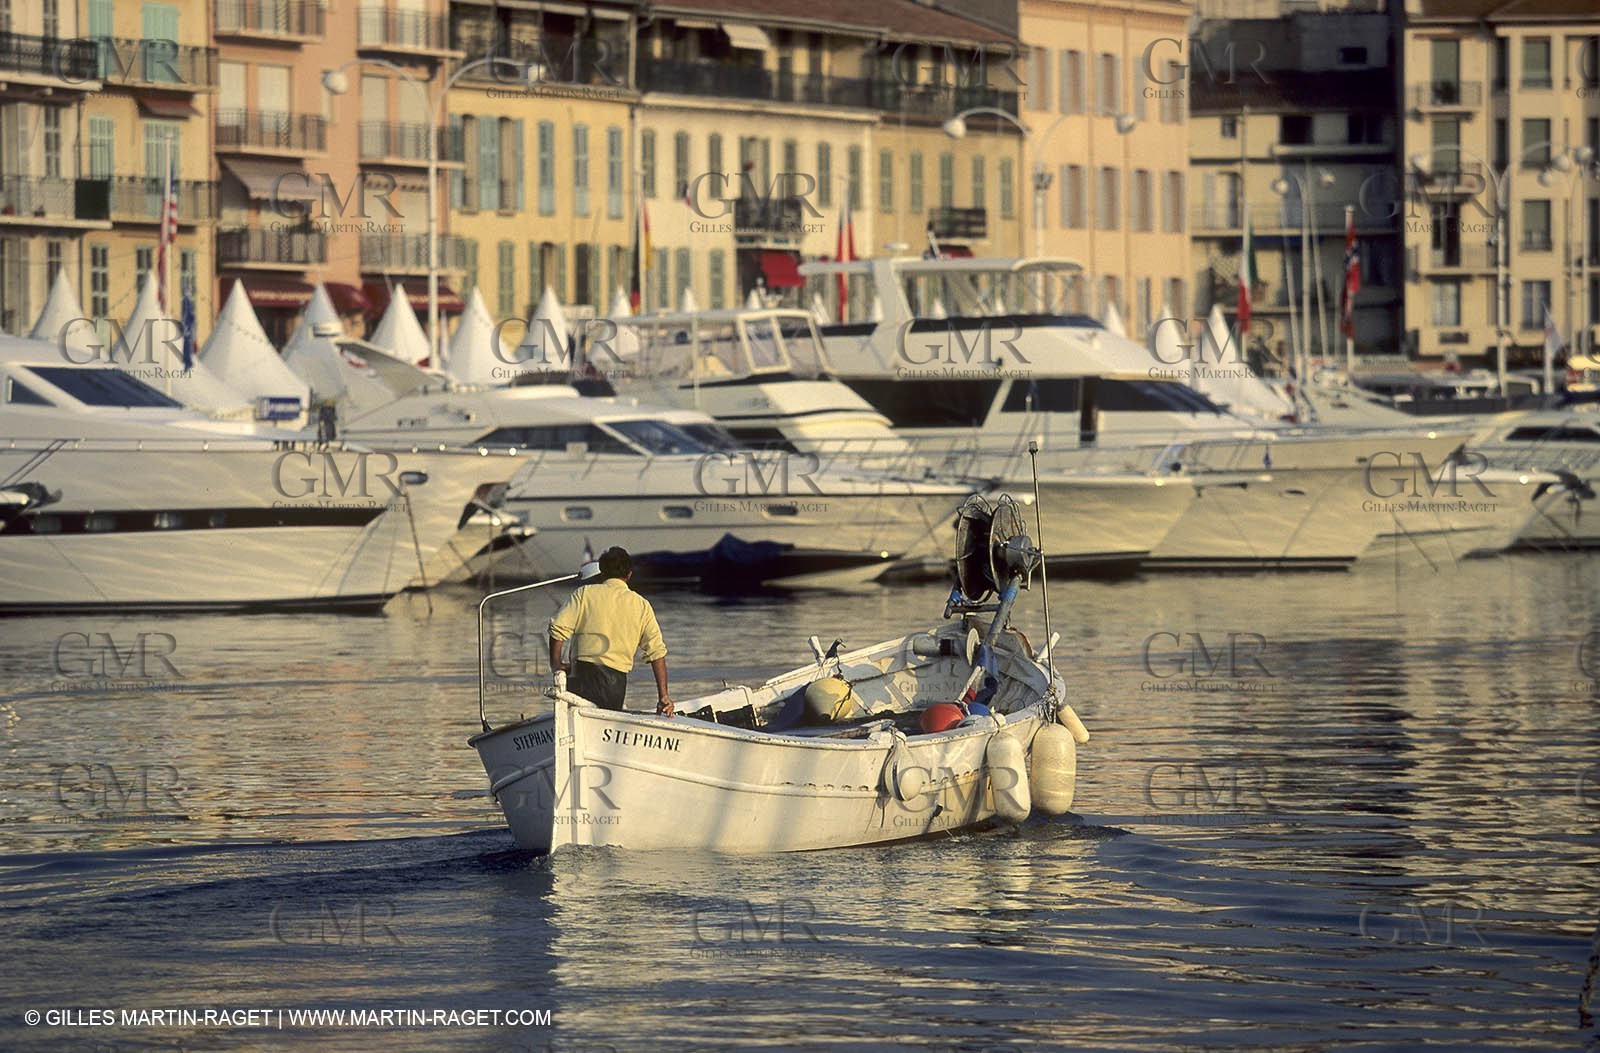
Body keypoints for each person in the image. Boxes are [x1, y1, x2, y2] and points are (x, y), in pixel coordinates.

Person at [548, 547, 673, 717]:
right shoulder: (641, 605)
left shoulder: (584, 593)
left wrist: (556, 664)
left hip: (581, 679)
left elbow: (557, 630)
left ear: (601, 573)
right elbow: (657, 653)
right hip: (614, 686)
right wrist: (663, 697)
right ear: (629, 574)